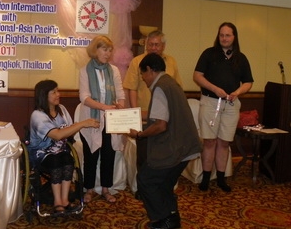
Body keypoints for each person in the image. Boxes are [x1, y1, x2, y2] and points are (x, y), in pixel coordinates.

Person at [129, 53, 201, 229]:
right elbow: (157, 114)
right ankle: (172, 215)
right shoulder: (170, 83)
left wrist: (140, 134)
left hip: (174, 147)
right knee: (165, 183)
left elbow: (161, 125)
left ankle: (163, 217)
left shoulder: (160, 88)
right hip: (187, 146)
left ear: (149, 70)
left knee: (146, 179)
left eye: (142, 75)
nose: (143, 80)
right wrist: (131, 113)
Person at [193, 22, 253, 192]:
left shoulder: (241, 58)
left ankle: (220, 179)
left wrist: (237, 92)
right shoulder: (209, 54)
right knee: (210, 141)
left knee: (224, 142)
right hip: (210, 102)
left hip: (231, 104)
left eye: (228, 35)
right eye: (221, 35)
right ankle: (205, 178)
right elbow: (197, 76)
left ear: (234, 37)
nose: (224, 38)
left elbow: (248, 82)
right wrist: (215, 89)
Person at [123, 30, 182, 199]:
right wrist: (135, 113)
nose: (153, 48)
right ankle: (142, 188)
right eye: (150, 44)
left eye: (157, 45)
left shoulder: (171, 62)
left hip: (164, 118)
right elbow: (131, 89)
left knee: (161, 153)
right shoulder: (137, 62)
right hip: (143, 115)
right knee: (143, 155)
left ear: (163, 46)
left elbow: (176, 88)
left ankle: (162, 187)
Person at [28, 80, 99, 214]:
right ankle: (57, 202)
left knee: (67, 159)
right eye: (54, 92)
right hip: (41, 154)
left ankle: (65, 200)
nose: (58, 94)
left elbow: (70, 130)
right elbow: (57, 135)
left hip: (61, 151)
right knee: (56, 161)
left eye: (57, 91)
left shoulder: (62, 109)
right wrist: (83, 123)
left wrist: (81, 126)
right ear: (44, 95)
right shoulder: (37, 115)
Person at [78, 35, 126, 204]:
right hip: (91, 119)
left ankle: (106, 189)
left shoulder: (113, 70)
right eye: (104, 49)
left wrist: (119, 105)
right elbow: (84, 97)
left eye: (110, 50)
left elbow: (120, 94)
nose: (108, 53)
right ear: (95, 50)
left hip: (111, 120)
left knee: (108, 154)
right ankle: (89, 189)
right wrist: (105, 108)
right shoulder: (85, 70)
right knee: (90, 155)